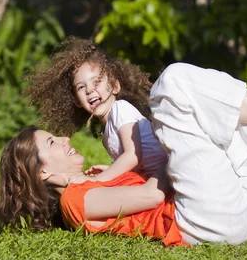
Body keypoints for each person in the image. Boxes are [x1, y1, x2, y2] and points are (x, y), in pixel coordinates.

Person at [0, 62, 247, 246]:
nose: (62, 140)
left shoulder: (90, 185)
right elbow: (153, 195)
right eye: (51, 144)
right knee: (173, 84)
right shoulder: (75, 201)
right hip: (206, 223)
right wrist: (166, 150)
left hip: (245, 215)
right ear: (42, 174)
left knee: (210, 108)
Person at [26, 37, 167, 181]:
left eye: (97, 81)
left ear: (115, 86)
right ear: (77, 101)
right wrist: (110, 171)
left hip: (169, 172)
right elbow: (136, 167)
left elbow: (133, 156)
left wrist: (96, 181)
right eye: (81, 87)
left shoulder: (121, 109)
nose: (89, 90)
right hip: (155, 179)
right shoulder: (106, 136)